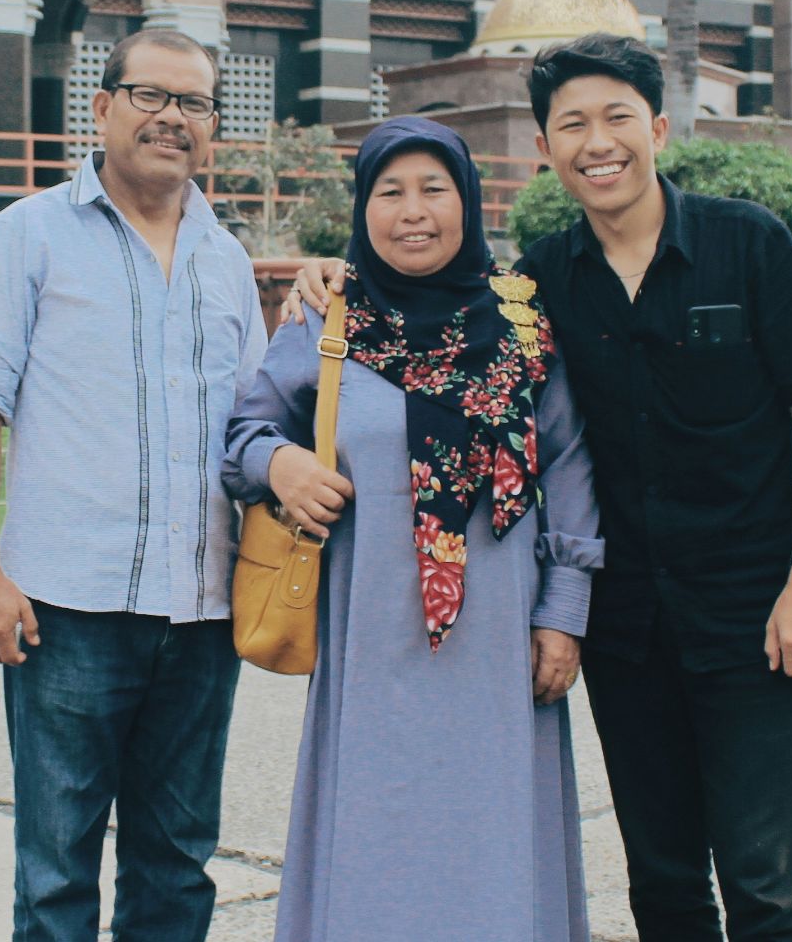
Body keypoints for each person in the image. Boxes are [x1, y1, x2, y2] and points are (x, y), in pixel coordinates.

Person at [288, 34, 792, 941]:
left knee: (765, 887)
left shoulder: (747, 242)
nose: (598, 143)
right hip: (627, 629)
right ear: (546, 149)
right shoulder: (538, 284)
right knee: (663, 884)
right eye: (572, 125)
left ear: (657, 129)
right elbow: (435, 303)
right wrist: (334, 276)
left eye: (616, 118)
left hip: (755, 611)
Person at [223, 116, 602, 941]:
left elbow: (569, 466)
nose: (413, 211)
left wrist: (563, 613)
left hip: (501, 637)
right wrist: (281, 466)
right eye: (390, 192)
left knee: (492, 824)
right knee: (379, 819)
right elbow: (246, 432)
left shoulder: (522, 322)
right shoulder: (328, 318)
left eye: (434, 189)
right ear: (363, 208)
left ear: (467, 200)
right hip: (369, 630)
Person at [0, 29, 266, 942]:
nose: (171, 118)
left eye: (193, 102)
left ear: (212, 126)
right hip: (67, 611)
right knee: (55, 877)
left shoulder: (227, 260)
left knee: (177, 869)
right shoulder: (30, 234)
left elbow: (253, 427)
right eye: (149, 96)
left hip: (202, 614)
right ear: (102, 107)